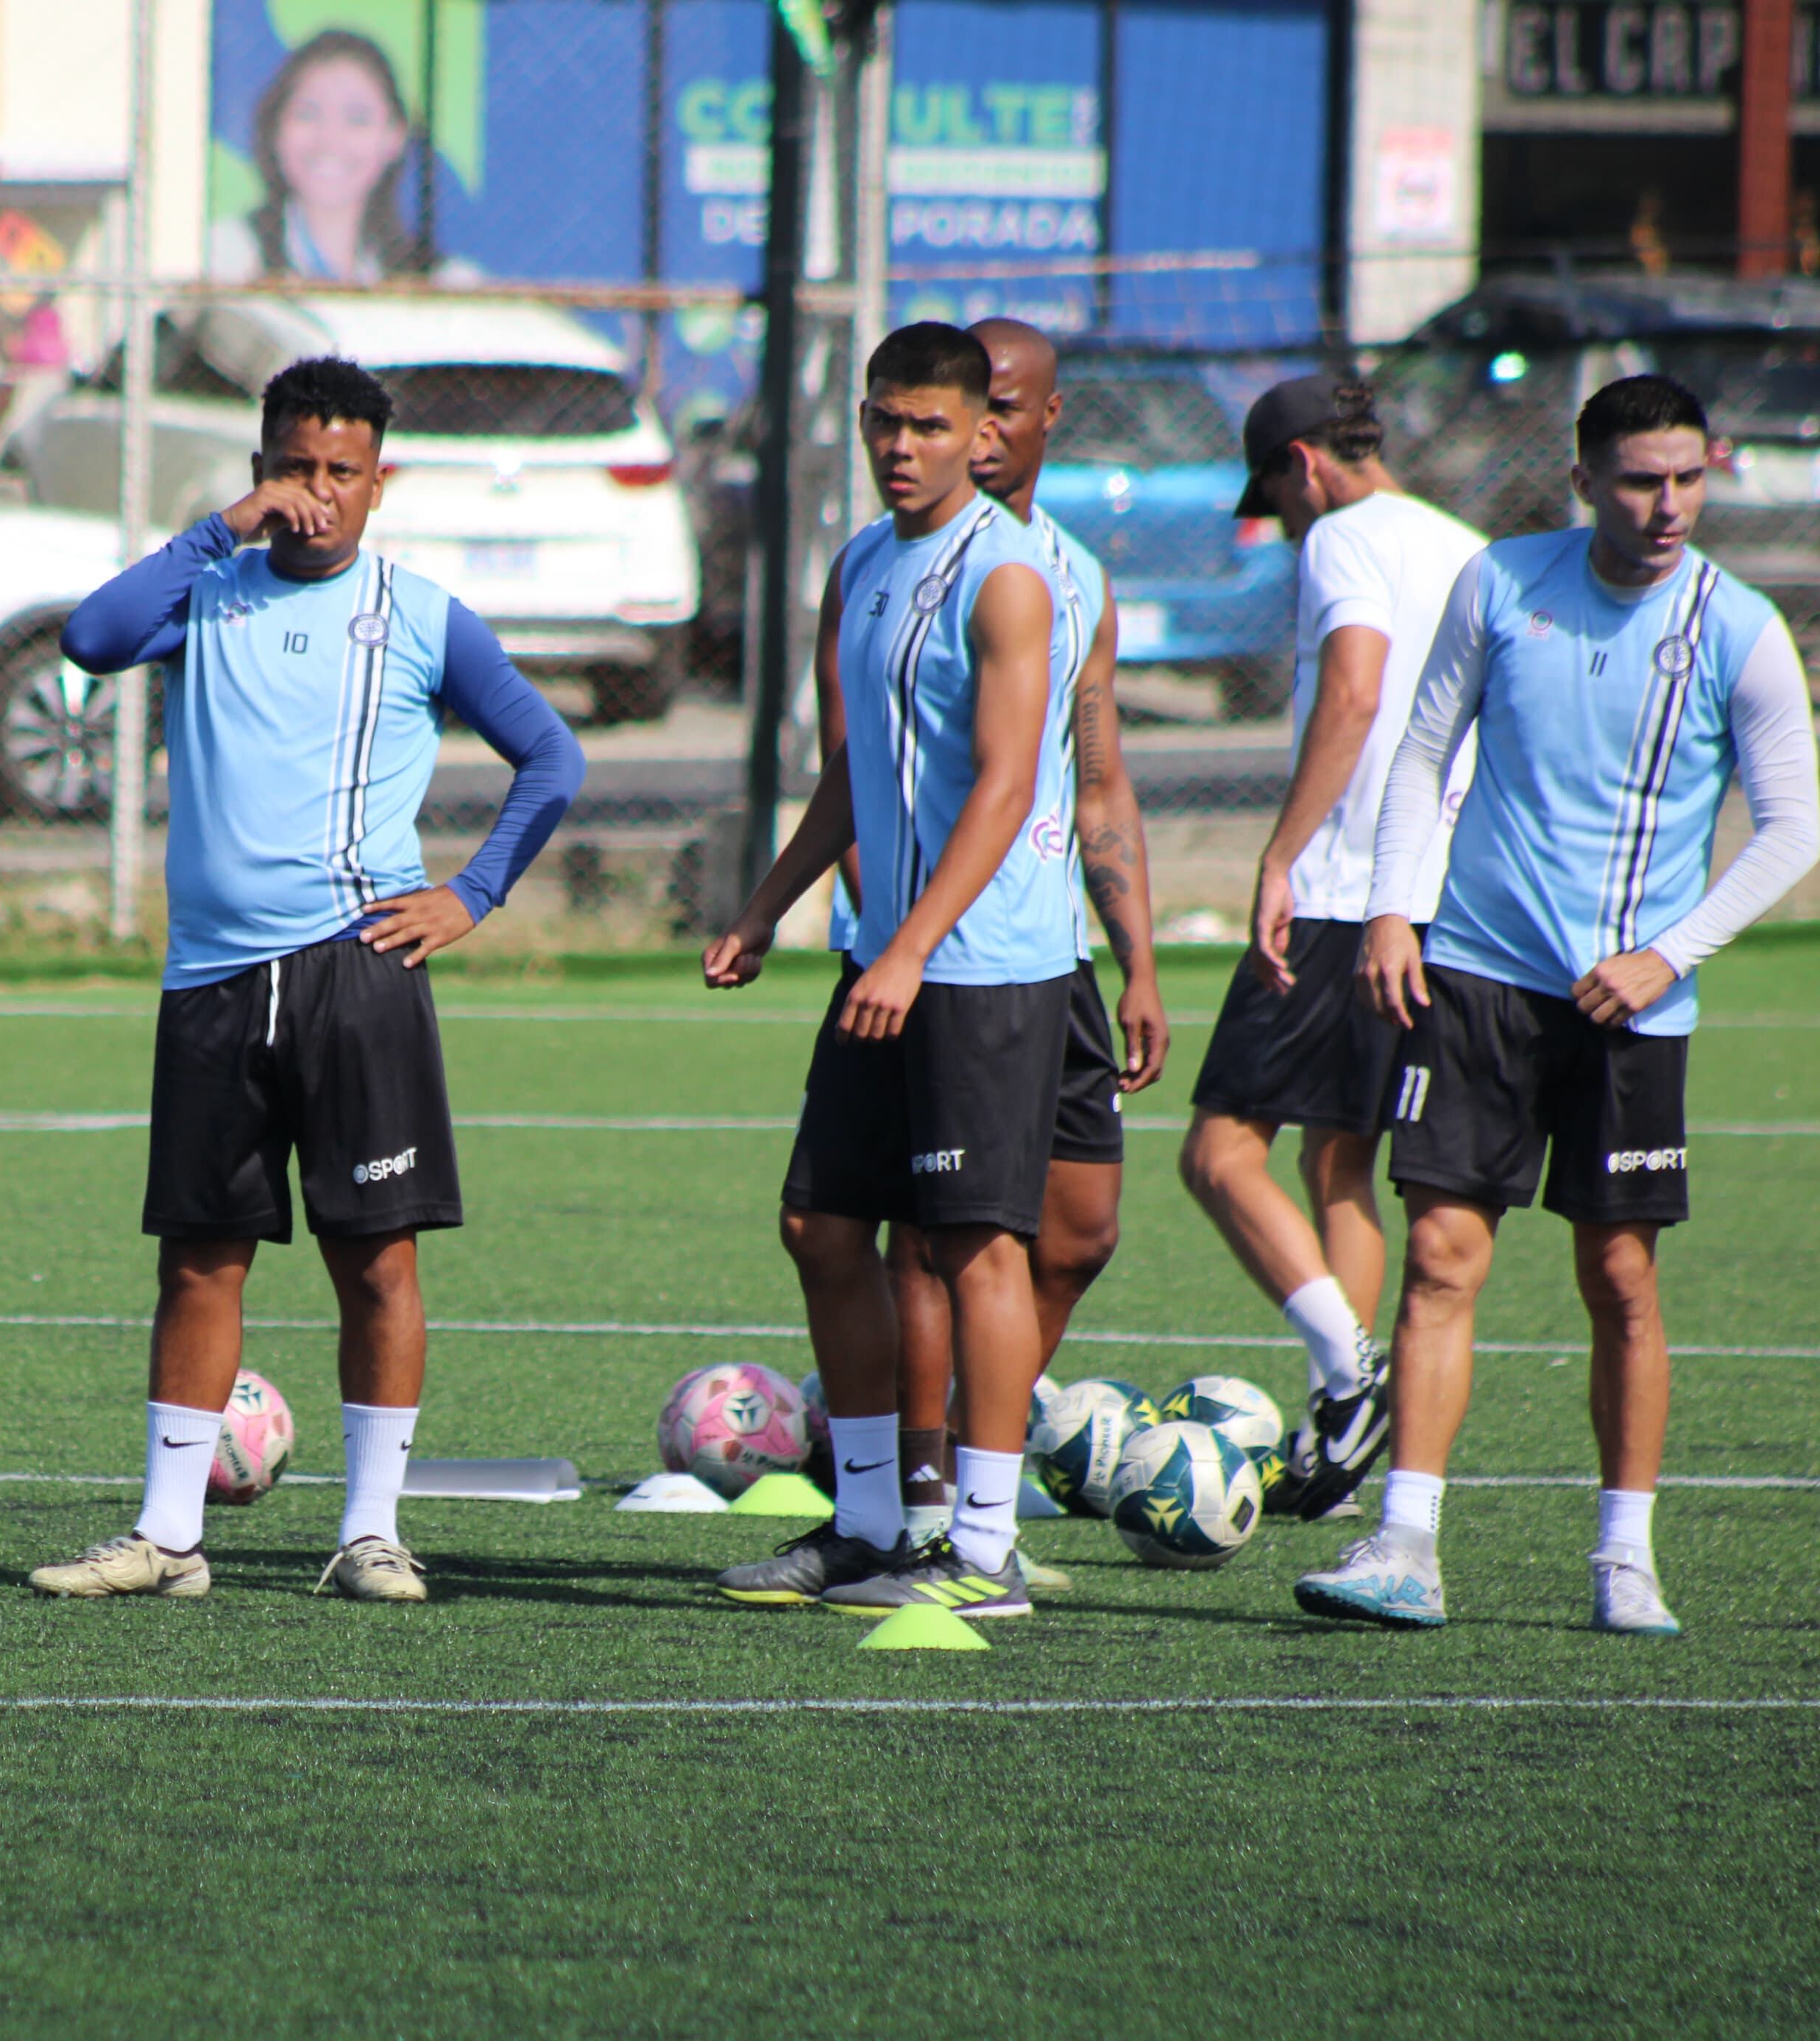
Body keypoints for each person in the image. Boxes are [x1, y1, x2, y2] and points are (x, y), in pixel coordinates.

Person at [29, 355, 581, 1605]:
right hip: (212, 981)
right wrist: (220, 528)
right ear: (261, 470)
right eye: (293, 468)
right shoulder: (208, 592)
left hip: (356, 970)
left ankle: (370, 1531)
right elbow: (89, 637)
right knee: (198, 1256)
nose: (317, 495)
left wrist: (474, 893)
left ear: (381, 483)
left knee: (376, 1258)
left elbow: (551, 756)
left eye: (342, 472)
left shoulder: (421, 613)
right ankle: (169, 1538)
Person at [1298, 374, 1818, 1635]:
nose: (1668, 505)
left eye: (1689, 478)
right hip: (1476, 971)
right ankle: (1406, 1544)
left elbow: (1794, 824)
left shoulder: (1738, 628)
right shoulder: (1502, 583)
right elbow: (1424, 750)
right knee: (1438, 1256)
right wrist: (1389, 908)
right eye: (1641, 480)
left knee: (1621, 1276)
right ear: (1584, 480)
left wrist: (1668, 953)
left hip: (1629, 1006)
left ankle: (1623, 1554)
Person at [715, 319, 1166, 1601]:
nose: (900, 448)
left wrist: (910, 946)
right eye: (883, 421)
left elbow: (1007, 785)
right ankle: (870, 1525)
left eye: (927, 427)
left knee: (978, 1249)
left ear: (984, 435)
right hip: (890, 958)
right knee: (821, 1223)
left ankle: (980, 1549)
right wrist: (769, 905)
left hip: (983, 970)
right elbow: (862, 764)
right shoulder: (865, 562)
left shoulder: (1013, 577)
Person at [1178, 378, 1484, 1519]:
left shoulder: (1343, 538)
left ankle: (1355, 1378)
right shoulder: (1468, 545)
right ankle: (1342, 1442)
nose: (1282, 518)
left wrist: (1280, 855)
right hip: (1434, 901)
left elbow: (1351, 692)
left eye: (1275, 493)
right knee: (1338, 1163)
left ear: (1304, 464)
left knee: (1217, 1155)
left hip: (1345, 891)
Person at [208, 30, 444, 285]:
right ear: (275, 128)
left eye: (357, 119)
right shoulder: (222, 257)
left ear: (395, 138)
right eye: (307, 114)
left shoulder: (437, 279)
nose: (330, 140)